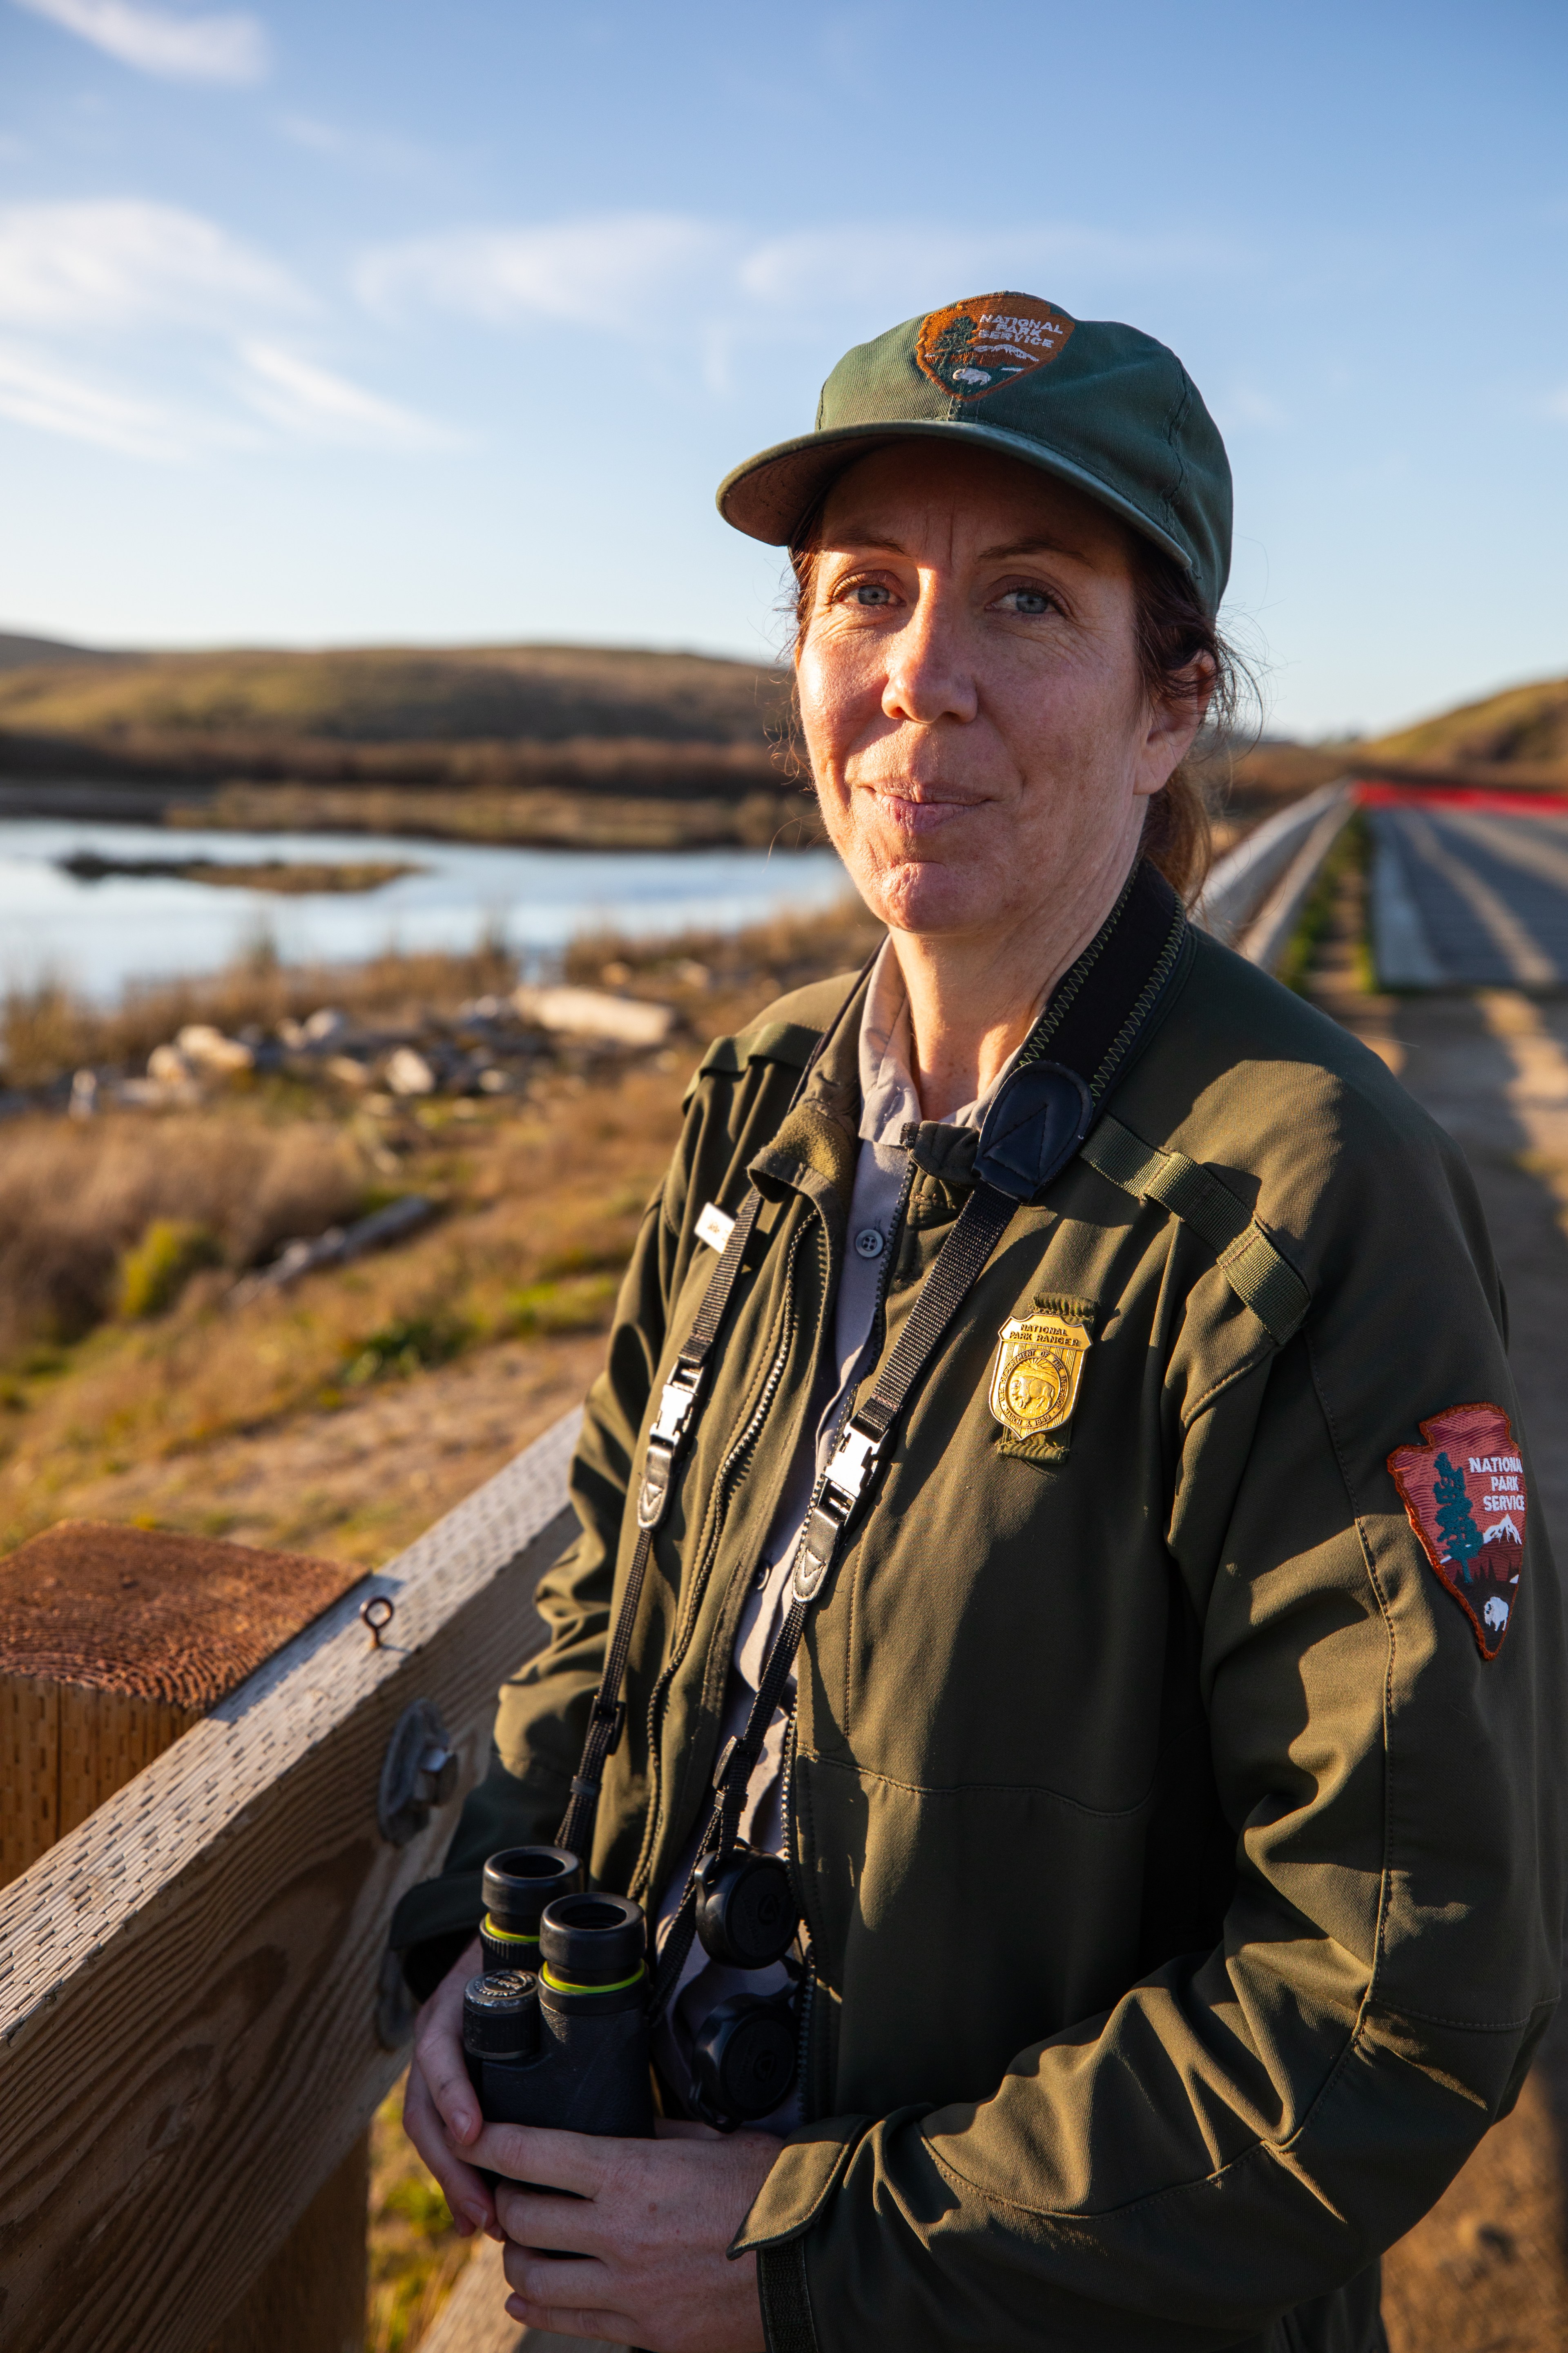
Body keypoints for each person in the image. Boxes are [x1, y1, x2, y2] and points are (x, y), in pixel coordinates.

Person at [390, 291, 1566, 2353]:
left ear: (1171, 702)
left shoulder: (1302, 1195)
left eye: (1025, 602)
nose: (920, 680)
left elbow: (1397, 1991)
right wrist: (472, 1966)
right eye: (863, 595)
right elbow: (607, 1605)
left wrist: (811, 2254)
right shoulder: (757, 1107)